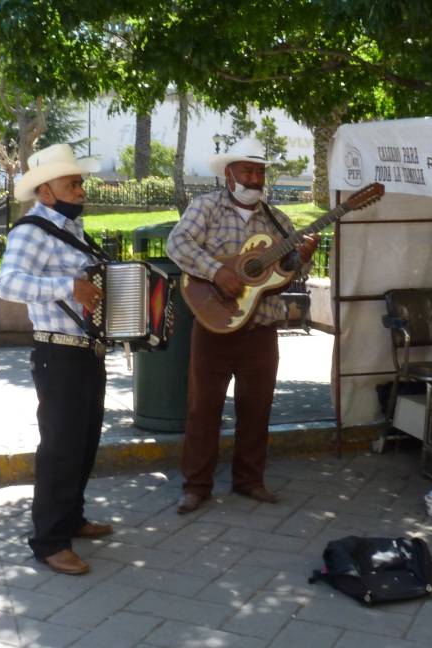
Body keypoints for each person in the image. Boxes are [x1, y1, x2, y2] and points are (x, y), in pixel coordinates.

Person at [166, 138, 318, 514]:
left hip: (261, 327)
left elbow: (285, 276)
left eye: (259, 171)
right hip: (213, 325)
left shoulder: (278, 221)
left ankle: (250, 480)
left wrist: (302, 260)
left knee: (258, 407)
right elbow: (178, 244)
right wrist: (217, 272)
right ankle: (196, 486)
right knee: (203, 407)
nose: (254, 178)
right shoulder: (207, 207)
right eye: (247, 171)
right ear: (228, 174)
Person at [0, 143, 112, 576]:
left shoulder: (71, 230)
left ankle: (73, 519)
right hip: (56, 351)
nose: (80, 189)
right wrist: (68, 286)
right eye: (72, 183)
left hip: (85, 351)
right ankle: (49, 541)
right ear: (45, 192)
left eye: (80, 182)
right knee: (60, 449)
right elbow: (7, 285)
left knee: (83, 444)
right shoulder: (32, 231)